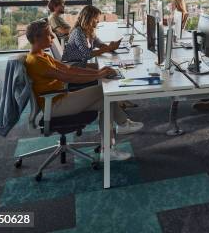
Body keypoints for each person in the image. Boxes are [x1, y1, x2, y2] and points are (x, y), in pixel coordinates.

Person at [24, 19, 143, 161]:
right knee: (103, 92)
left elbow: (70, 68)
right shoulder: (36, 61)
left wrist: (98, 72)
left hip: (61, 98)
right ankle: (123, 124)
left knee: (106, 102)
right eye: (49, 35)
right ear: (37, 37)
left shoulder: (42, 55)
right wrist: (98, 74)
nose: (53, 37)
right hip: (55, 105)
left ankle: (108, 149)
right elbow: (68, 77)